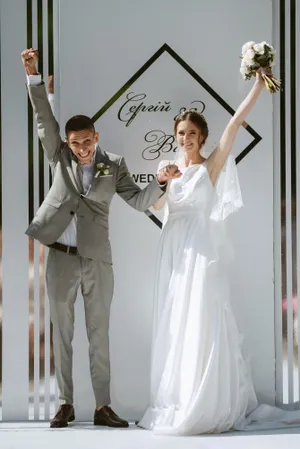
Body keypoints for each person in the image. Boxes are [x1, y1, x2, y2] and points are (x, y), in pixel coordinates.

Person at [21, 48, 181, 429]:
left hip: (97, 259)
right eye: (75, 143)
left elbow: (139, 201)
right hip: (59, 255)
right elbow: (44, 120)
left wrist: (160, 183)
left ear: (97, 136)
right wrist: (33, 77)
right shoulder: (58, 155)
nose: (82, 149)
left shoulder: (114, 164)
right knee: (62, 332)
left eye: (86, 142)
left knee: (99, 334)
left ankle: (102, 407)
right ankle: (65, 403)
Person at [138, 68, 300, 435]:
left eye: (192, 134)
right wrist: (162, 181)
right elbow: (158, 207)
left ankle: (207, 397)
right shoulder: (168, 167)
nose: (186, 139)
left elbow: (235, 122)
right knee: (176, 317)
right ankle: (180, 393)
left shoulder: (211, 165)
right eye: (181, 134)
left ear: (202, 137)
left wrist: (258, 85)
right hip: (173, 247)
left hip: (198, 245)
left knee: (201, 313)